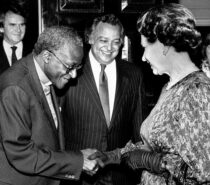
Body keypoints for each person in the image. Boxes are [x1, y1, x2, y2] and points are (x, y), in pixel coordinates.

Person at [90, 3, 210, 185]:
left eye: (145, 47)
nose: (143, 57)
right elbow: (153, 143)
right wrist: (112, 156)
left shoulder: (196, 91)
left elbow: (204, 173)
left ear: (164, 45)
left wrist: (153, 162)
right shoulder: (170, 87)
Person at [0, 26, 101, 185]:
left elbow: (45, 139)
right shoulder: (15, 88)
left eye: (78, 67)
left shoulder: (45, 75)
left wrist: (78, 157)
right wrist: (76, 161)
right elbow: (21, 154)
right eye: (70, 67)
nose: (74, 75)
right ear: (47, 56)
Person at [60, 14, 144, 185]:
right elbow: (56, 127)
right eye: (103, 40)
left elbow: (139, 129)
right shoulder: (69, 71)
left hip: (121, 175)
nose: (109, 47)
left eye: (115, 41)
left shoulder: (134, 74)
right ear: (90, 38)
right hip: (79, 175)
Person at [0, 2, 32, 75]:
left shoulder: (36, 52)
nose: (18, 30)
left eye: (22, 25)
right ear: (1, 28)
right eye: (13, 25)